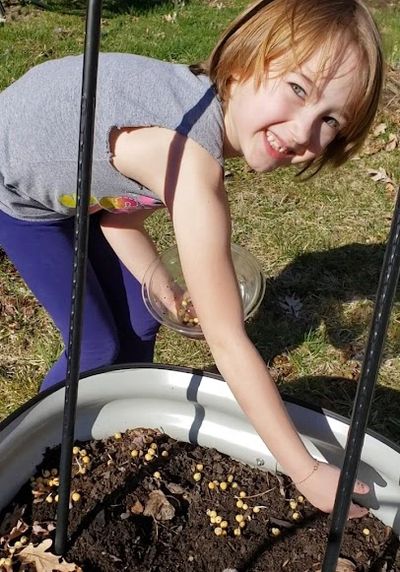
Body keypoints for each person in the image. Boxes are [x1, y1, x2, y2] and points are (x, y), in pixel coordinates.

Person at [0, 0, 384, 517]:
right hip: (18, 195)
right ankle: (30, 471)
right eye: (297, 89)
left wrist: (161, 285)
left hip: (76, 187)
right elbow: (225, 339)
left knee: (141, 313)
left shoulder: (195, 114)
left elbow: (118, 211)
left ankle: (110, 429)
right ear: (245, 59)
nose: (301, 132)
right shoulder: (188, 160)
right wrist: (307, 470)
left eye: (329, 119)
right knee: (94, 346)